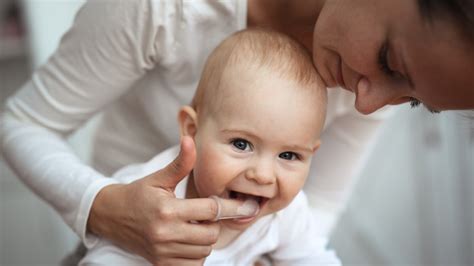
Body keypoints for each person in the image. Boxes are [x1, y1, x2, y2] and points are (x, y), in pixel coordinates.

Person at [0, 0, 472, 265]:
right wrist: (103, 207)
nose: (369, 104)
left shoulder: (372, 91)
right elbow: (21, 123)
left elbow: (315, 216)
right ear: (190, 125)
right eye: (390, 61)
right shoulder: (164, 8)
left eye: (413, 99)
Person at [79, 28, 340, 266]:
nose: (263, 175)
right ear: (192, 130)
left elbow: (314, 259)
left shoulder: (287, 214)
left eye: (288, 155)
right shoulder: (147, 198)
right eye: (241, 144)